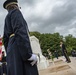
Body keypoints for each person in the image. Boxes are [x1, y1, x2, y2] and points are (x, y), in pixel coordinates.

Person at [3, 0, 39, 75]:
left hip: (11, 51)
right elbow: (20, 32)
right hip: (20, 49)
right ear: (16, 6)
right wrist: (28, 55)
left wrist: (10, 54)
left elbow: (5, 40)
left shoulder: (6, 18)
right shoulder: (15, 12)